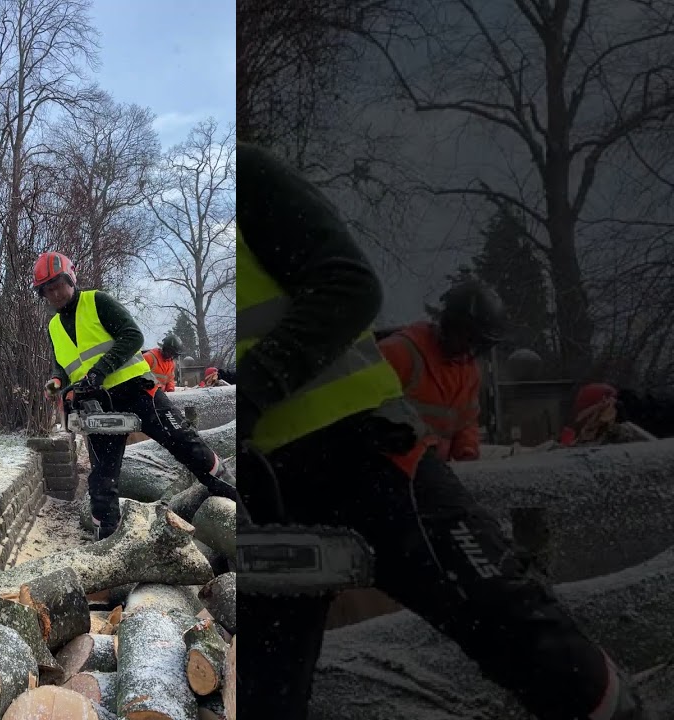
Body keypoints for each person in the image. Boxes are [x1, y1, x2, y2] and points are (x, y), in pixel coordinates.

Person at [237, 141, 647, 719]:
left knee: (515, 625)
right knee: (266, 684)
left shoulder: (247, 177)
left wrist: (464, 460)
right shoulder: (408, 350)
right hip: (271, 486)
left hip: (369, 456)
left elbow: (351, 287)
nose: (467, 350)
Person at [33, 251, 237, 539]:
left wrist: (100, 371)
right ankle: (108, 541)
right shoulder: (54, 327)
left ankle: (230, 494)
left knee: (184, 442)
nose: (54, 293)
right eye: (48, 289)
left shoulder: (97, 301)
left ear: (71, 278)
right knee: (102, 478)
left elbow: (133, 336)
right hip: (99, 407)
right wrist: (55, 382)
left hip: (136, 392)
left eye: (58, 285)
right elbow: (62, 366)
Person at [377, 279, 504, 462]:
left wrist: (466, 449)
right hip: (391, 468)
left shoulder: (469, 372)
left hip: (434, 471)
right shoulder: (400, 353)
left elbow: (466, 422)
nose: (469, 348)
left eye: (476, 342)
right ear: (451, 325)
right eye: (467, 337)